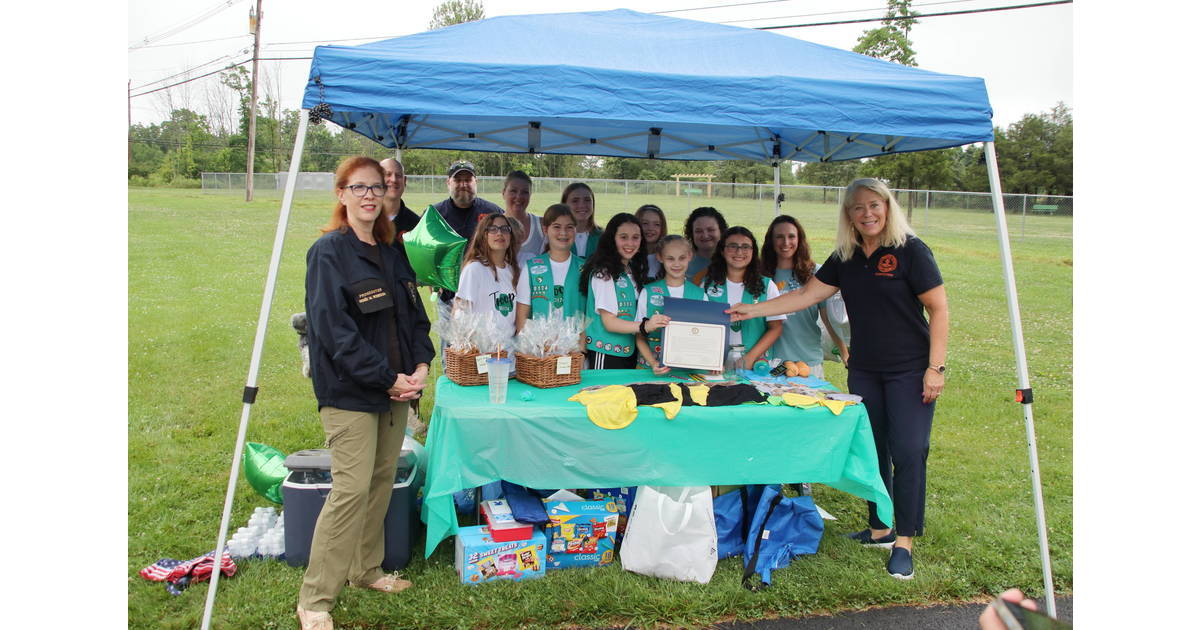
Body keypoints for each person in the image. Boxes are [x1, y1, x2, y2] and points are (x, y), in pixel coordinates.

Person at [726, 178, 949, 580]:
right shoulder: (846, 256)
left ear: (888, 207)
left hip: (911, 369)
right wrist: (752, 310)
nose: (867, 213)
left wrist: (936, 368)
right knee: (873, 448)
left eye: (874, 205)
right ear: (848, 214)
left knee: (909, 449)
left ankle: (904, 541)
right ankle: (880, 528)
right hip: (865, 369)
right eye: (857, 207)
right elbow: (806, 295)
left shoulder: (911, 250)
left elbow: (939, 308)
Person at [298, 157, 433, 630]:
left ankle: (366, 570)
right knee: (351, 490)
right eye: (359, 188)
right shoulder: (328, 253)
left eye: (376, 187)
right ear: (341, 194)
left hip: (396, 390)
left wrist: (420, 365)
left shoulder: (393, 251)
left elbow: (414, 317)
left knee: (380, 481)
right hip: (350, 392)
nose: (369, 195)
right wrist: (386, 377)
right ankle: (315, 599)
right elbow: (334, 333)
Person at [762, 215, 849, 379]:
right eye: (779, 237)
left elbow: (827, 319)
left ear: (799, 239)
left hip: (808, 361)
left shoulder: (816, 273)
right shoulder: (761, 274)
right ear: (771, 241)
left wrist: (844, 352)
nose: (786, 242)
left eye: (791, 236)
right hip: (772, 362)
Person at [578, 213, 667, 369]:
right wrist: (645, 326)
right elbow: (610, 323)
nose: (630, 243)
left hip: (630, 351)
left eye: (635, 237)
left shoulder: (632, 270)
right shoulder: (603, 274)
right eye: (623, 237)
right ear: (612, 239)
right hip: (606, 351)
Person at [701, 226, 783, 369]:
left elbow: (776, 328)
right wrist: (711, 358)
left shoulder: (767, 286)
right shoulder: (707, 285)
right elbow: (701, 326)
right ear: (722, 250)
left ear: (753, 251)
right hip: (716, 365)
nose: (739, 252)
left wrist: (750, 357)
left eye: (745, 247)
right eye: (733, 246)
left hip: (755, 365)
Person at [634, 235, 706, 373]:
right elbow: (639, 335)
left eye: (682, 258)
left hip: (686, 370)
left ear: (690, 256)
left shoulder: (700, 295)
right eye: (670, 258)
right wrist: (653, 363)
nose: (676, 264)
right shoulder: (648, 292)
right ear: (660, 257)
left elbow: (706, 335)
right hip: (649, 368)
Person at [434, 160, 501, 304]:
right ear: (448, 182)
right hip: (447, 294)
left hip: (485, 292)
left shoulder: (493, 213)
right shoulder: (435, 215)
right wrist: (431, 280)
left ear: (476, 182)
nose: (463, 184)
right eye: (458, 180)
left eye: (468, 180)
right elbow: (423, 251)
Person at [515, 204, 585, 332]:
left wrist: (582, 342)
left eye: (569, 227)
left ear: (576, 230)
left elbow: (591, 314)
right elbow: (521, 317)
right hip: (540, 343)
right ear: (545, 230)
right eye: (557, 227)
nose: (563, 233)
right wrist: (528, 343)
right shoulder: (531, 268)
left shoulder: (585, 268)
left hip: (576, 343)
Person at [454, 213, 520, 340]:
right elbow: (459, 313)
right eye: (493, 229)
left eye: (504, 229)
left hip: (508, 350)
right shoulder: (474, 269)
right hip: (481, 349)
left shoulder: (512, 271)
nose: (499, 233)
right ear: (484, 235)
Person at [501, 170, 545, 268]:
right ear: (503, 193)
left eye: (525, 192)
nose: (519, 197)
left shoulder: (541, 225)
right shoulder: (492, 228)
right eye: (513, 191)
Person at [683, 206, 728, 279]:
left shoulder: (733, 261)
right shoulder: (681, 262)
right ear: (691, 234)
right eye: (698, 231)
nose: (705, 235)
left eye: (711, 230)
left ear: (721, 231)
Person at [380, 157, 420, 233]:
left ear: (404, 181)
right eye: (388, 174)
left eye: (398, 175)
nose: (394, 180)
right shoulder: (362, 220)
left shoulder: (416, 225)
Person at [563, 182, 602, 258]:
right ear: (564, 205)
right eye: (575, 201)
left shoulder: (604, 237)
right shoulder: (556, 237)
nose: (582, 205)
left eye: (587, 200)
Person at [635, 204, 667, 279]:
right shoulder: (628, 255)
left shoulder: (667, 256)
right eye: (645, 223)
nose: (650, 228)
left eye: (657, 224)